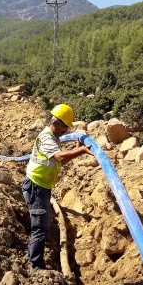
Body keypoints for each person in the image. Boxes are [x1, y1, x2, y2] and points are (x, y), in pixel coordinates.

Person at [21, 104, 93, 274]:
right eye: (65, 126)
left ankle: (35, 260)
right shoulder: (46, 138)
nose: (66, 130)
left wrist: (77, 150)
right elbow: (59, 156)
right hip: (36, 187)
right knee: (40, 228)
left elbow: (59, 161)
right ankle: (36, 267)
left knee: (43, 227)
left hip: (42, 186)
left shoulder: (53, 137)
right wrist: (81, 151)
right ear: (57, 122)